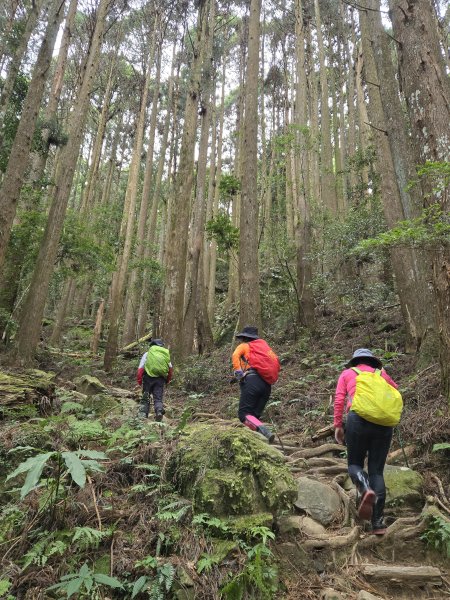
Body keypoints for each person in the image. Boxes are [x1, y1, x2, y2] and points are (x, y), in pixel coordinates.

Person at [334, 348, 399, 535]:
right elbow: (395, 393)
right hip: (383, 424)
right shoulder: (382, 374)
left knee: (354, 463)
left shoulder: (348, 373)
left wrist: (338, 425)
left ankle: (364, 488)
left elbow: (339, 399)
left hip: (358, 420)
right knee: (377, 472)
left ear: (355, 361)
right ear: (372, 362)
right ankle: (378, 523)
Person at [232, 326, 280, 443]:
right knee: (253, 417)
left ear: (245, 338)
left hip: (252, 381)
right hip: (267, 386)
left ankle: (265, 432)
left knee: (244, 414)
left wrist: (239, 373)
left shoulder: (245, 345)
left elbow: (235, 356)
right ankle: (256, 441)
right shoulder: (265, 349)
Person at [137, 339, 173, 421]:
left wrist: (139, 380)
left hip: (148, 378)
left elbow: (140, 368)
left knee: (146, 396)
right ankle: (159, 411)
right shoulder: (165, 355)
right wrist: (167, 380)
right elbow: (170, 369)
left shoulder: (147, 354)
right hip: (160, 379)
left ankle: (143, 416)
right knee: (158, 398)